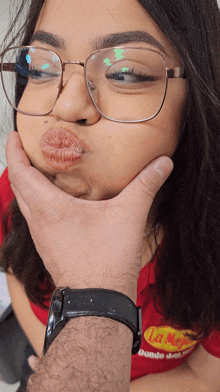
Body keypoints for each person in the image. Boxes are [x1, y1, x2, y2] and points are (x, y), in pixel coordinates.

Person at [1, 0, 220, 390]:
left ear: (198, 104)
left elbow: (206, 378)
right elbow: (15, 274)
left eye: (126, 73)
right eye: (40, 68)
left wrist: (89, 373)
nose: (66, 105)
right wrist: (63, 363)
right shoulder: (20, 189)